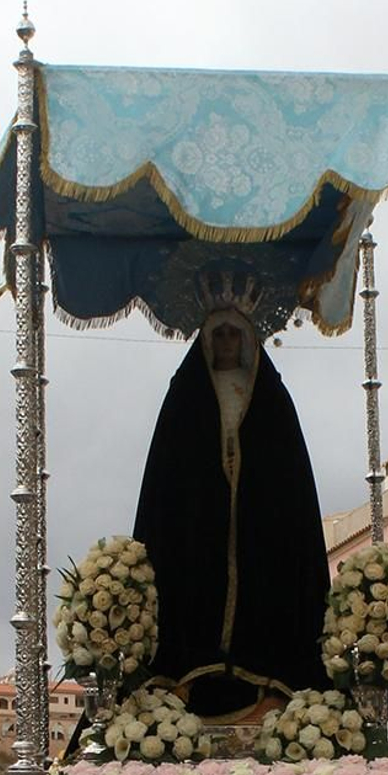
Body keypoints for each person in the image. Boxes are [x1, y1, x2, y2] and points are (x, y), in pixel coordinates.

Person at [134, 298, 331, 718]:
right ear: (206, 341)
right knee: (194, 589)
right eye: (218, 334)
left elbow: (288, 475)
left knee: (263, 592)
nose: (225, 342)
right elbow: (168, 477)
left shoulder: (269, 397)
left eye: (233, 334)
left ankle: (264, 680)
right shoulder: (185, 396)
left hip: (259, 528)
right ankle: (189, 677)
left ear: (246, 340)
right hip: (198, 526)